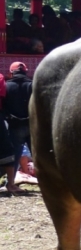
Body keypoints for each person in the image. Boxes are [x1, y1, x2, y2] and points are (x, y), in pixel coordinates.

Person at [3, 62, 33, 196]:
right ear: (26, 71)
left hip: (15, 126)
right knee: (39, 157)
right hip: (32, 125)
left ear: (11, 73)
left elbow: (3, 106)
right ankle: (49, 184)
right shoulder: (32, 85)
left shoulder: (7, 86)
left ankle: (10, 183)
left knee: (14, 157)